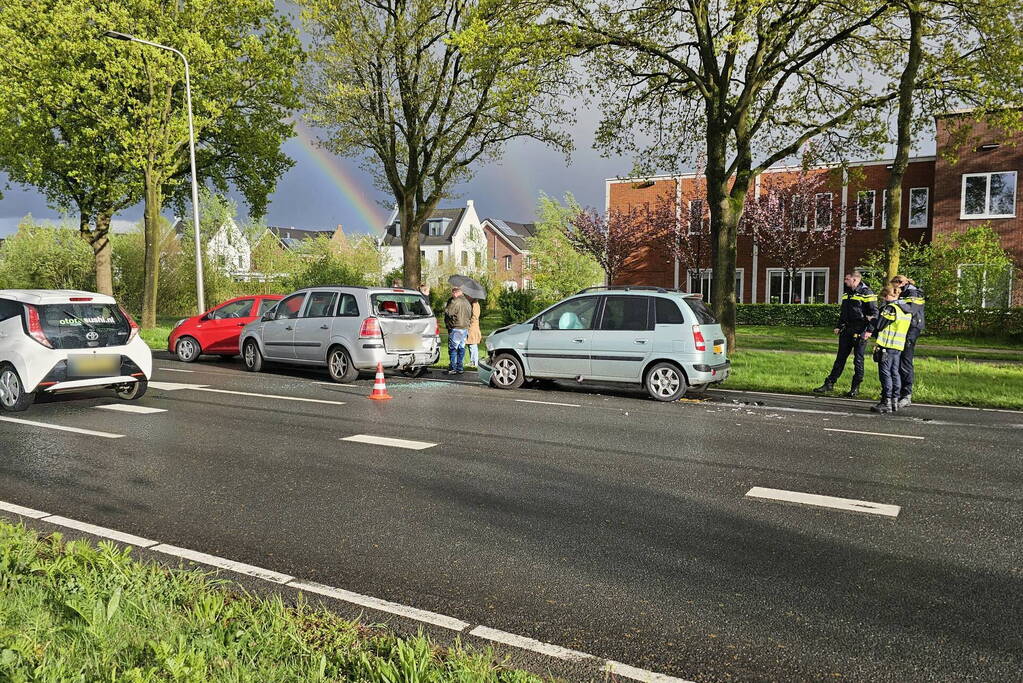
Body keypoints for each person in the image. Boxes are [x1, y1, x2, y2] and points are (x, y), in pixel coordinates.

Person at [813, 271, 878, 397]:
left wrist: (869, 331)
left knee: (858, 360)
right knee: (840, 358)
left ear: (855, 279)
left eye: (847, 279)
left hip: (861, 331)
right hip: (847, 329)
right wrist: (839, 326)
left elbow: (874, 313)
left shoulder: (867, 293)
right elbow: (844, 312)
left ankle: (855, 387)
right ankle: (829, 384)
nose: (845, 281)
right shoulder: (847, 293)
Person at [871, 286, 913, 414]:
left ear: (887, 296)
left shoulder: (890, 308)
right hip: (898, 346)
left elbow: (879, 325)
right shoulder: (906, 309)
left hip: (886, 345)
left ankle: (886, 402)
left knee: (885, 373)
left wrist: (871, 319)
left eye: (883, 297)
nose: (883, 300)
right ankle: (894, 401)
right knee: (895, 373)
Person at [890, 274, 925, 408]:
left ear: (900, 283)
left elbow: (911, 310)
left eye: (895, 286)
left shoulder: (914, 293)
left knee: (905, 362)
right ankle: (898, 392)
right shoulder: (904, 293)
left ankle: (906, 395)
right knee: (897, 362)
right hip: (903, 329)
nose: (895, 290)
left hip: (911, 330)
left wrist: (896, 302)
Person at [444, 286, 472, 375]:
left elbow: (449, 312)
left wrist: (446, 308)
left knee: (453, 348)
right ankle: (460, 367)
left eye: (452, 293)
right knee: (461, 348)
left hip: (456, 327)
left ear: (455, 292)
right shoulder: (467, 302)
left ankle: (453, 368)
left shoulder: (455, 301)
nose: (452, 295)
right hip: (465, 328)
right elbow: (470, 314)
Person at [466, 296, 482, 368]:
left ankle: (474, 362)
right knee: (471, 345)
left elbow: (475, 316)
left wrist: (469, 321)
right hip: (471, 327)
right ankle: (473, 361)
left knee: (473, 345)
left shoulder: (475, 304)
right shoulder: (473, 303)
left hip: (473, 327)